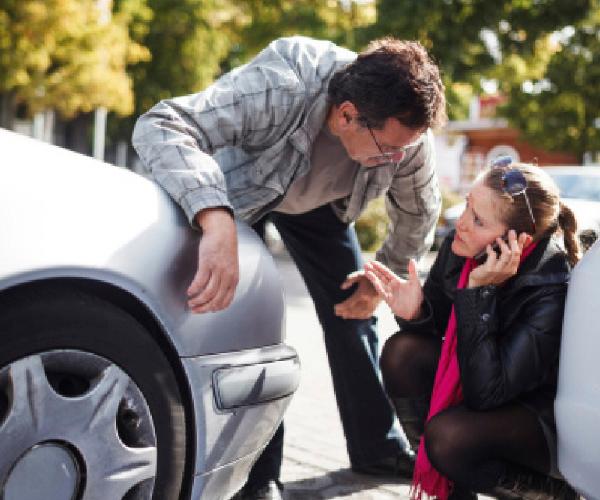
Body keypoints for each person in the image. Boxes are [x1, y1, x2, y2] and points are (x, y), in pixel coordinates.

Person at [132, 35, 446, 500]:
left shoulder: (405, 137)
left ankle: (377, 447)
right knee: (253, 328)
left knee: (355, 318)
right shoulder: (282, 84)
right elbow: (163, 124)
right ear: (346, 115)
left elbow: (419, 212)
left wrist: (382, 277)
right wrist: (213, 218)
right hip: (243, 196)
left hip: (323, 208)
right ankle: (259, 478)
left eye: (403, 150)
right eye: (387, 150)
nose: (396, 160)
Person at [364, 158, 581, 500]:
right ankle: (450, 490)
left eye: (478, 220)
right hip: (489, 383)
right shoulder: (462, 247)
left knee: (448, 438)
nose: (461, 224)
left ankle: (551, 494)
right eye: (467, 206)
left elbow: (487, 393)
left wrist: (479, 293)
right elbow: (440, 328)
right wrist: (418, 312)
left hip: (540, 419)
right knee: (402, 352)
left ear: (517, 242)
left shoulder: (550, 288)